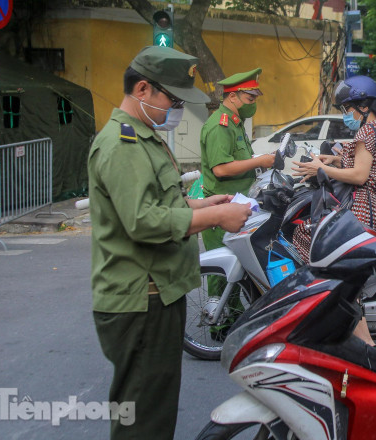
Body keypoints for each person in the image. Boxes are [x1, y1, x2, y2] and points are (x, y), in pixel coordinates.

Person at [88, 46, 252, 440]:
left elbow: (157, 201)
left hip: (156, 293)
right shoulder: (122, 144)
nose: (176, 108)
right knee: (145, 418)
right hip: (140, 298)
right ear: (142, 89)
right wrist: (215, 217)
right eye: (173, 99)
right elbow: (142, 221)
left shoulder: (143, 137)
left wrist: (202, 202)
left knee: (153, 407)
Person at [292, 75, 376, 353]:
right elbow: (369, 166)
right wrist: (335, 160)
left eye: (347, 108)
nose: (346, 114)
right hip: (371, 208)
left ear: (363, 106)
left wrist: (320, 170)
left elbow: (360, 175)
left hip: (361, 209)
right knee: (347, 277)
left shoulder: (365, 133)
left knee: (336, 270)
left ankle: (366, 346)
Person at [200, 68, 276, 255]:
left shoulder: (236, 122)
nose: (253, 105)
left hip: (239, 203)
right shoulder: (221, 125)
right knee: (223, 275)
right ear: (233, 97)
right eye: (250, 99)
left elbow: (240, 159)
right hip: (222, 208)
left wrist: (262, 159)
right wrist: (259, 162)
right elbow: (221, 169)